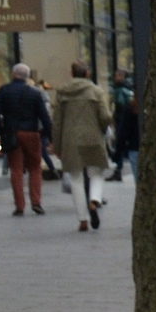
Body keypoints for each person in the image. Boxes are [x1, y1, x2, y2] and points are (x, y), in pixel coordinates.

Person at [52, 60, 112, 232]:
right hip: (93, 137)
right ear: (88, 73)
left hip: (70, 140)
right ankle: (94, 200)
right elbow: (106, 116)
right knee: (97, 173)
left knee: (76, 179)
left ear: (72, 74)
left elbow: (57, 122)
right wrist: (101, 128)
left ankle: (83, 219)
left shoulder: (62, 93)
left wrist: (57, 146)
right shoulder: (96, 91)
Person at [0, 62, 51, 215]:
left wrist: (1, 131)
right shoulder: (35, 93)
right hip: (31, 133)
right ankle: (36, 202)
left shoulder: (4, 91)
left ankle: (19, 206)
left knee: (16, 170)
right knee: (35, 168)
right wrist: (49, 135)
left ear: (13, 74)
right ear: (27, 77)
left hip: (12, 134)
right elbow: (44, 116)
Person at [106, 69, 132, 180]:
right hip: (127, 120)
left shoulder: (120, 90)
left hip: (121, 120)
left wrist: (116, 119)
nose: (117, 77)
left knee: (119, 145)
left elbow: (119, 105)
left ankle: (118, 170)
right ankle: (118, 170)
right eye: (116, 75)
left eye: (119, 75)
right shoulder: (128, 88)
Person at [112, 87, 139, 183]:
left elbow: (123, 133)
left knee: (139, 182)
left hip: (135, 148)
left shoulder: (131, 108)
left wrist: (117, 153)